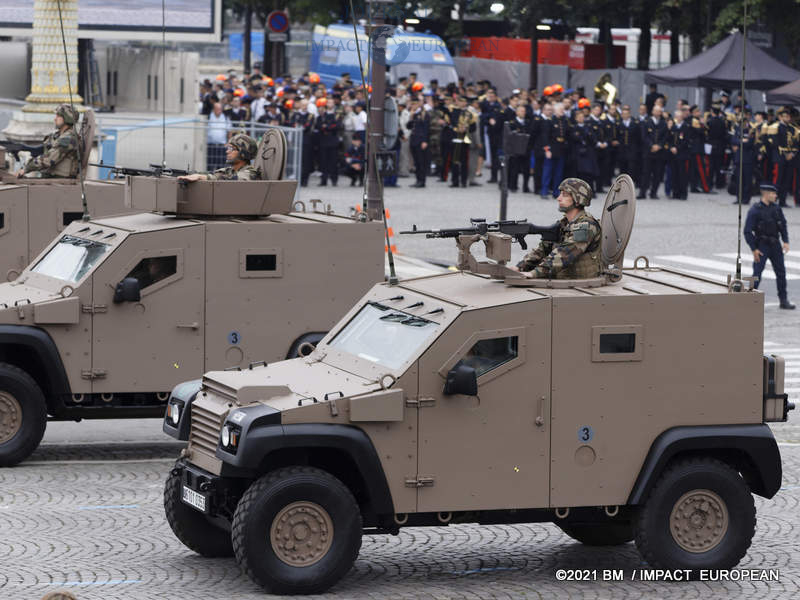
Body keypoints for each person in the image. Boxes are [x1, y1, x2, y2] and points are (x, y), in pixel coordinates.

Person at [514, 178, 602, 279]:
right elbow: (543, 249)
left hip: (580, 283)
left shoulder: (587, 226)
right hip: (564, 279)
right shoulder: (564, 224)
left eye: (564, 195)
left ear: (578, 200)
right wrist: (520, 267)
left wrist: (535, 273)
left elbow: (564, 254)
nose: (558, 198)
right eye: (560, 194)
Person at [744, 183, 794, 309]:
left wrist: (786, 241)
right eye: (773, 194)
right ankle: (750, 300)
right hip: (762, 245)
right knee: (756, 273)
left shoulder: (776, 208)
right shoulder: (755, 210)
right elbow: (747, 231)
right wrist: (754, 249)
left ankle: (783, 300)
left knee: (781, 273)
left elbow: (783, 224)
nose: (776, 196)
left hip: (775, 245)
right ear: (766, 194)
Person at [17, 104, 80, 179]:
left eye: (58, 116)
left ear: (67, 118)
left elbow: (48, 160)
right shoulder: (57, 135)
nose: (55, 119)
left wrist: (26, 168)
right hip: (50, 177)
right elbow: (43, 151)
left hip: (60, 180)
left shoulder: (69, 139)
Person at [179, 134, 260, 181]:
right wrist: (194, 174)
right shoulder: (230, 171)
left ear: (243, 153)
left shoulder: (250, 173)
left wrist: (202, 177)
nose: (227, 151)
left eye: (232, 149)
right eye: (228, 148)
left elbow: (230, 181)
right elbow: (215, 175)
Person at [206, 102, 230, 171]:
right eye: (217, 109)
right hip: (211, 145)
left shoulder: (225, 117)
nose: (219, 111)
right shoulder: (209, 117)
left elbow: (229, 130)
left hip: (222, 145)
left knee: (221, 166)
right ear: (214, 109)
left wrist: (228, 142)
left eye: (220, 109)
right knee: (210, 165)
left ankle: (219, 180)